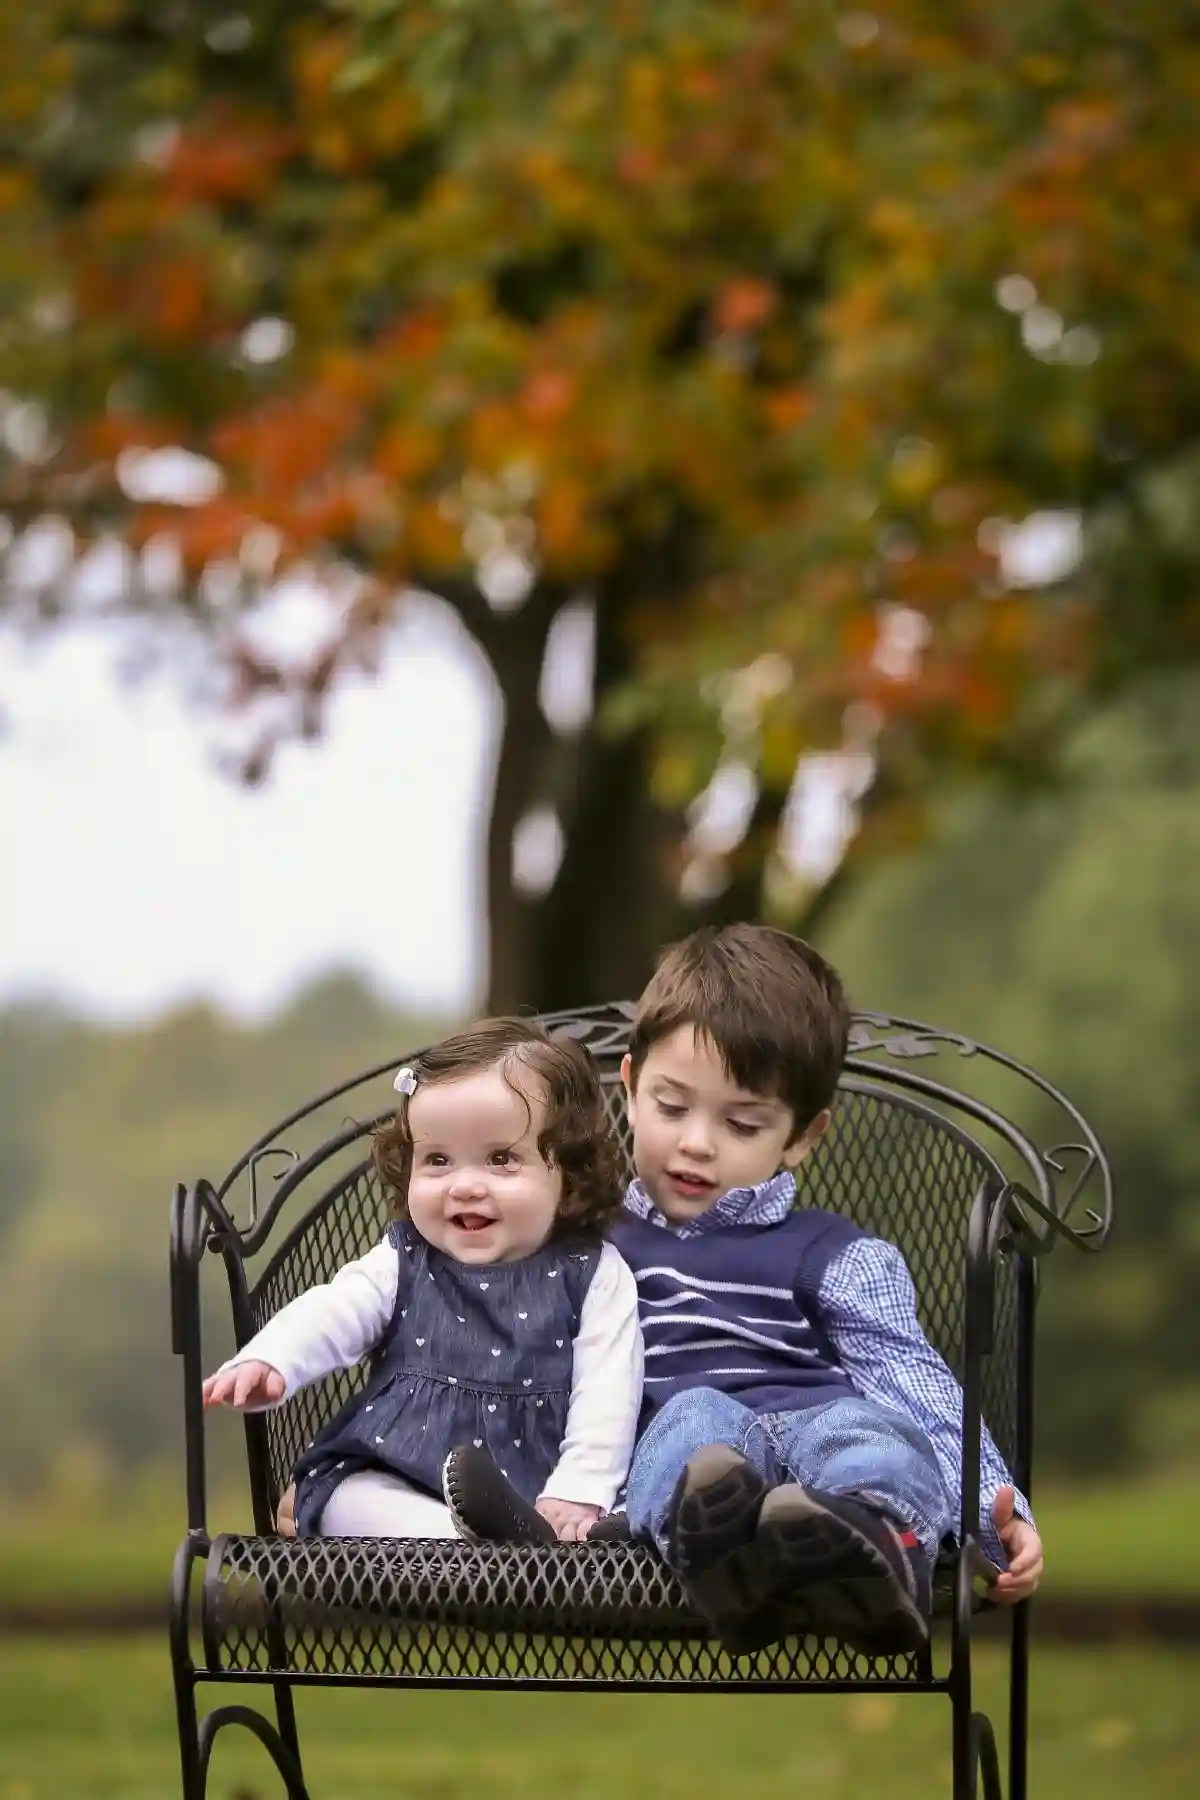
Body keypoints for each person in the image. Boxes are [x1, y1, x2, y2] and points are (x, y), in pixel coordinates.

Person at [601, 922, 1043, 1656]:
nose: (697, 1143)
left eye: (742, 1123)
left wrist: (993, 1516)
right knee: (693, 1423)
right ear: (629, 1087)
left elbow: (916, 1386)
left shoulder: (839, 1256)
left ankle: (867, 1544)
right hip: (691, 1452)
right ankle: (728, 1564)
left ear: (803, 1136)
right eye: (671, 1107)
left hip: (816, 1434)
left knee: (865, 1431)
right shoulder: (589, 1244)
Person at [203, 1018, 643, 1544]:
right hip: (404, 1468)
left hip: (541, 1491)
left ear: (567, 1173)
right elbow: (336, 1309)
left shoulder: (593, 1271)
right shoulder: (405, 1258)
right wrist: (272, 1358)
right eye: (437, 1160)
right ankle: (472, 1538)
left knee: (620, 1512)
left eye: (500, 1159)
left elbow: (609, 1389)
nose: (464, 1186)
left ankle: (506, 1530)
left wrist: (578, 1491)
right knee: (346, 1499)